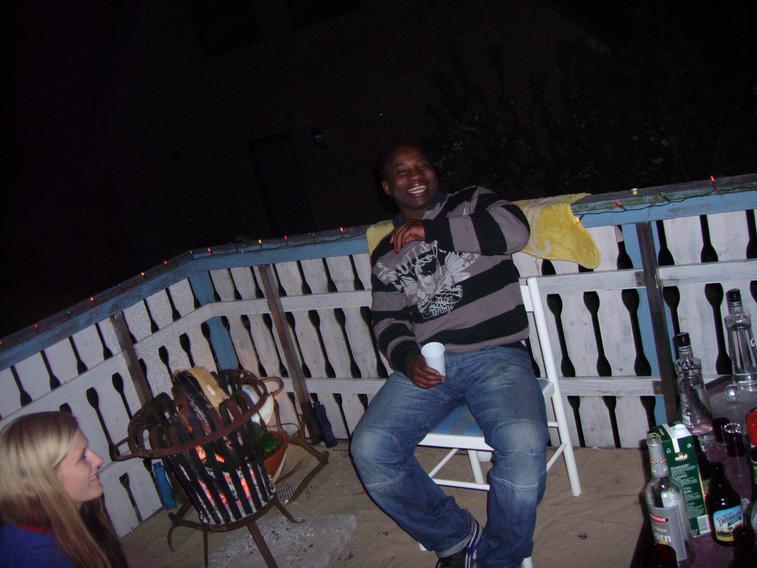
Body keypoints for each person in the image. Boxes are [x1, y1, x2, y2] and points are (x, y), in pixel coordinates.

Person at [351, 143, 548, 568]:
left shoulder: (472, 202)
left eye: (422, 166)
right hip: (429, 366)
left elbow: (516, 232)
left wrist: (429, 230)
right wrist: (407, 360)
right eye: (402, 171)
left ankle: (500, 560)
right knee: (370, 447)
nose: (415, 175)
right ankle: (457, 538)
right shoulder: (385, 253)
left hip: (497, 356)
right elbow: (387, 320)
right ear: (387, 187)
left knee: (524, 445)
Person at [0, 411, 129, 568]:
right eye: (82, 457)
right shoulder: (40, 556)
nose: (99, 460)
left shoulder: (79, 511)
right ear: (45, 479)